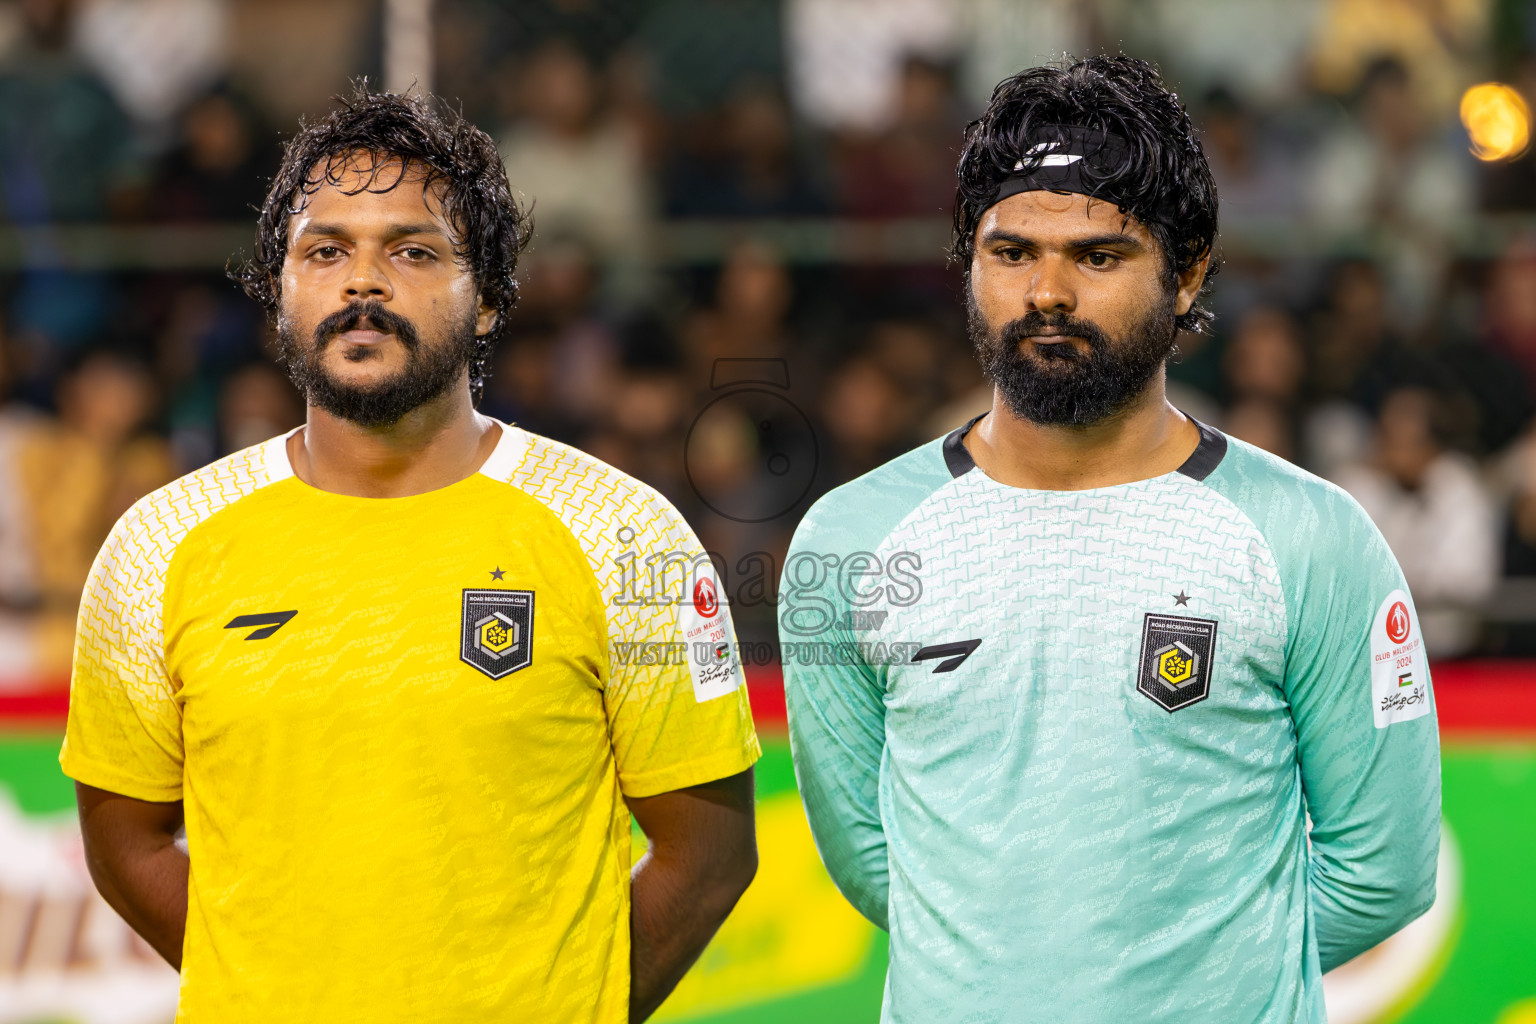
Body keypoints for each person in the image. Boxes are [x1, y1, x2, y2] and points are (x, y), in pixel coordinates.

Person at [61, 87, 760, 1023]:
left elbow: (709, 856)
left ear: (488, 303)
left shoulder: (623, 533)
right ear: (279, 291)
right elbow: (125, 844)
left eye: (414, 251)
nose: (363, 284)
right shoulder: (157, 547)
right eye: (325, 251)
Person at [781, 56, 1440, 1023]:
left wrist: (1192, 970)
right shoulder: (851, 539)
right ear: (968, 262)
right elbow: (875, 863)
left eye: (1097, 256)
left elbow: (1383, 871)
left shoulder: (1310, 536)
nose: (1047, 291)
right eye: (1011, 253)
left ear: (1189, 273)